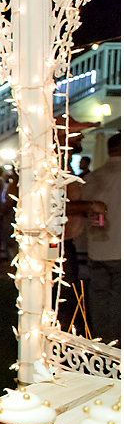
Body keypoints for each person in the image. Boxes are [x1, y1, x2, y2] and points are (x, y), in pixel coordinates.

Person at [74, 133, 121, 343]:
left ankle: (102, 344)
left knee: (100, 300)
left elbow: (82, 208)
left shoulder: (93, 177)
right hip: (120, 250)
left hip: (98, 249)